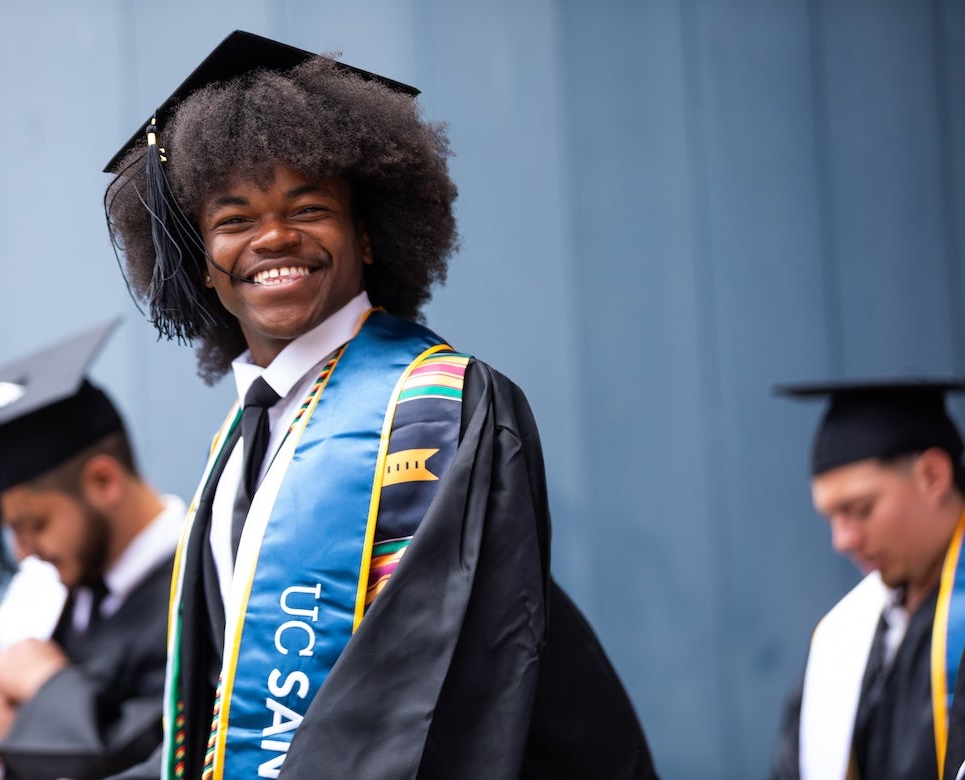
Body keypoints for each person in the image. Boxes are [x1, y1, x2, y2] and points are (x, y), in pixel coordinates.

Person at [101, 30, 656, 780]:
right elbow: (221, 709)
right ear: (204, 265)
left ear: (366, 235)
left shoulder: (444, 406)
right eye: (234, 221)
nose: (273, 238)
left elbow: (436, 689)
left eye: (308, 208)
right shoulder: (239, 440)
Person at [0, 319, 187, 780]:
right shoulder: (52, 593)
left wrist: (46, 685)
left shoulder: (201, 587)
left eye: (34, 525)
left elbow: (164, 754)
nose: (23, 552)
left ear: (103, 481)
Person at [771, 379, 965, 780]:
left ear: (932, 476)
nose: (842, 540)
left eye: (859, 509)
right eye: (831, 517)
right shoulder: (844, 635)